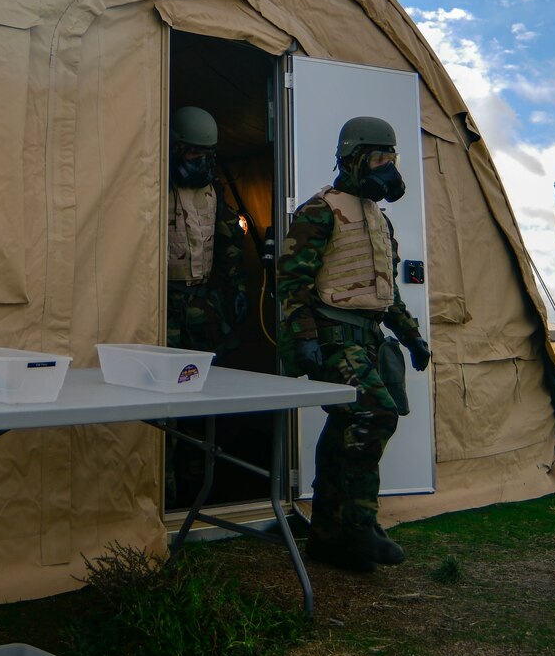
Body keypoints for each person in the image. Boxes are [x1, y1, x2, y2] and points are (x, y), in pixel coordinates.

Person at [277, 115, 429, 572]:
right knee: (373, 415)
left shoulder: (379, 220)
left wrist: (411, 335)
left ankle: (327, 535)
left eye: (391, 158)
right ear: (354, 159)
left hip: (368, 338)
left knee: (344, 429)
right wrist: (303, 339)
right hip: (332, 335)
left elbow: (387, 292)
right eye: (378, 157)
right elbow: (291, 282)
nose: (387, 167)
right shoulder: (320, 211)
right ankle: (360, 526)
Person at [166, 107, 250, 356]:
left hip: (201, 303)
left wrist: (237, 287)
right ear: (175, 149)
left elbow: (229, 242)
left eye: (206, 154)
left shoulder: (214, 191)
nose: (200, 161)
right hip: (162, 305)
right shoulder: (154, 186)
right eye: (193, 153)